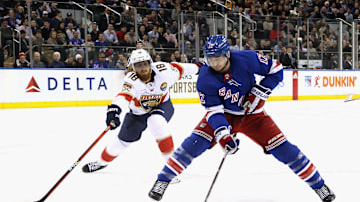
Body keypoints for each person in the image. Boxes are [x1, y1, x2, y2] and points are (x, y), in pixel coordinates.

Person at [148, 35, 336, 202]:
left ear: (227, 54)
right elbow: (214, 112)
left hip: (253, 116)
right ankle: (162, 180)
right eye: (210, 58)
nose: (214, 63)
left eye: (218, 58)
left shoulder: (247, 58)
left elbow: (276, 69)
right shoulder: (205, 78)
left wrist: (261, 91)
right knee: (192, 145)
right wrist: (224, 136)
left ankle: (319, 185)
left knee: (286, 151)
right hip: (225, 115)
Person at [82, 49, 199, 181]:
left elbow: (186, 68)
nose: (143, 68)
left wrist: (203, 67)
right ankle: (101, 162)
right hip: (137, 114)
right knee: (121, 143)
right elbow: (123, 96)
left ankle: (171, 168)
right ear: (133, 67)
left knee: (156, 122)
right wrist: (114, 110)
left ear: (150, 63)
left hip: (163, 106)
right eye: (138, 65)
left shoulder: (165, 71)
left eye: (145, 64)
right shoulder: (131, 80)